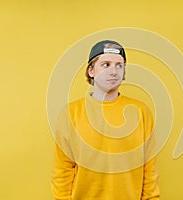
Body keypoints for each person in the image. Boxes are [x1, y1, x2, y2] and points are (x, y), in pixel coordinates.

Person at [51, 40, 160, 200]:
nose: (114, 71)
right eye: (106, 64)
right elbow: (62, 168)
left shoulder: (141, 112)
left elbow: (149, 169)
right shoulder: (70, 113)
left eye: (119, 65)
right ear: (91, 71)